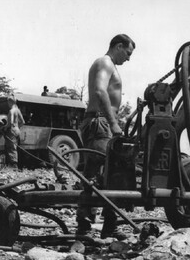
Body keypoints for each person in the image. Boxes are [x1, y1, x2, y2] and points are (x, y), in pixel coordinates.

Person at [76, 34, 135, 240]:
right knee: (109, 173)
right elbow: (100, 91)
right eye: (127, 53)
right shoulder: (105, 62)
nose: (128, 59)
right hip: (101, 122)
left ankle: (90, 225)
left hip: (100, 121)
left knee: (99, 173)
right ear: (118, 46)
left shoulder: (108, 64)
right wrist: (113, 123)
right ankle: (104, 226)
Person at [2, 95, 25, 168]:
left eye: (8, 102)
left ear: (10, 102)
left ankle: (14, 166)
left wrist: (5, 127)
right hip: (17, 130)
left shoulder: (11, 111)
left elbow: (11, 123)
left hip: (11, 130)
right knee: (15, 147)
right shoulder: (18, 110)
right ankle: (15, 165)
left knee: (11, 148)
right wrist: (17, 127)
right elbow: (23, 122)